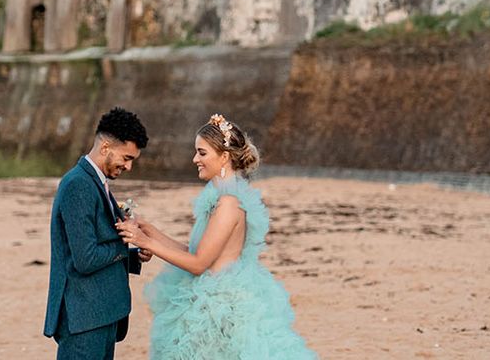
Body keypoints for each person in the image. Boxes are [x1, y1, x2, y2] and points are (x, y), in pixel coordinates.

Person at [116, 113, 316, 359]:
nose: (195, 159)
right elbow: (197, 252)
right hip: (214, 296)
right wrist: (149, 230)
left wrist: (145, 242)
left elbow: (199, 264)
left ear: (223, 157)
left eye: (202, 153)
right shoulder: (222, 198)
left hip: (219, 306)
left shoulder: (228, 204)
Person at [44, 107, 151, 359]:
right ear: (105, 147)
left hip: (99, 313)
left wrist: (134, 256)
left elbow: (99, 242)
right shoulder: (78, 184)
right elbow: (85, 258)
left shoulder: (96, 180)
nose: (129, 166)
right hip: (83, 317)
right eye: (126, 158)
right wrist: (127, 245)